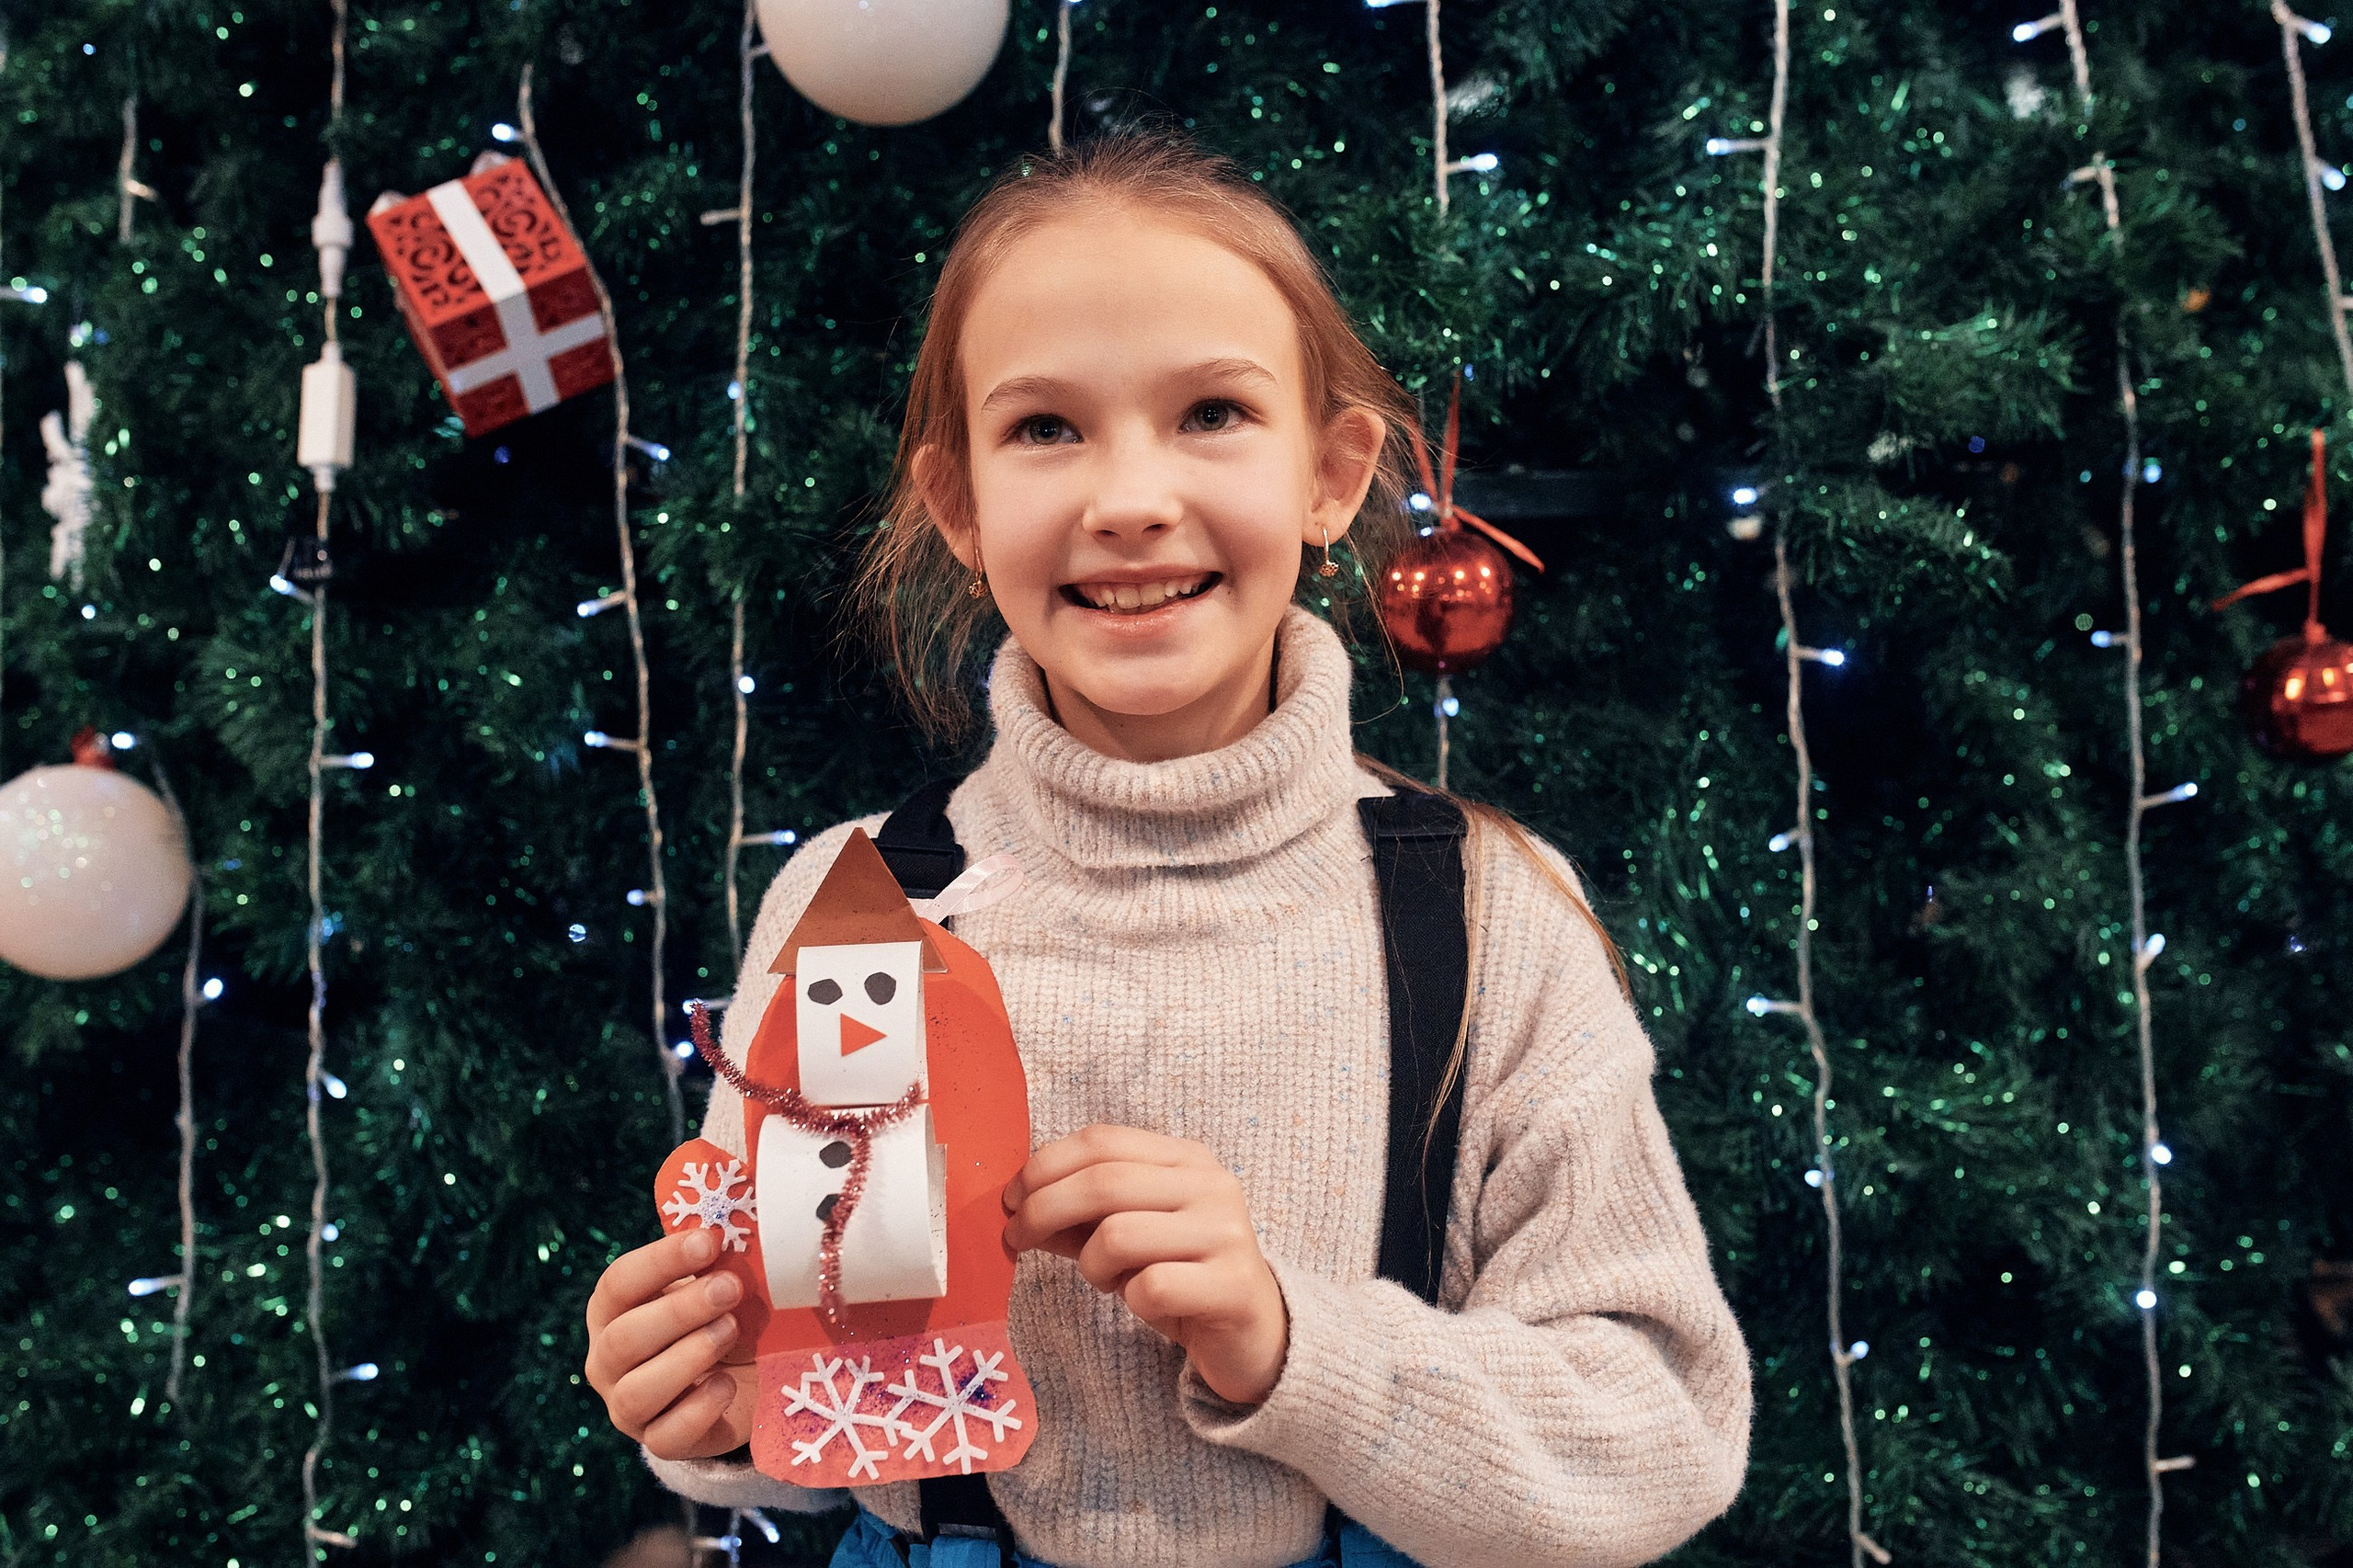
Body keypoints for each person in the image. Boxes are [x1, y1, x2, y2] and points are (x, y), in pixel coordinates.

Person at [583, 131, 1751, 1568]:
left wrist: (1289, 1343)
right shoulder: (858, 910)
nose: (1129, 496)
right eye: (1046, 429)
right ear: (959, 508)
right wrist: (709, 1403)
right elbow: (809, 1416)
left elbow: (1657, 1435)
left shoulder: (1489, 913)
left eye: (1210, 412)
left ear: (1332, 478)